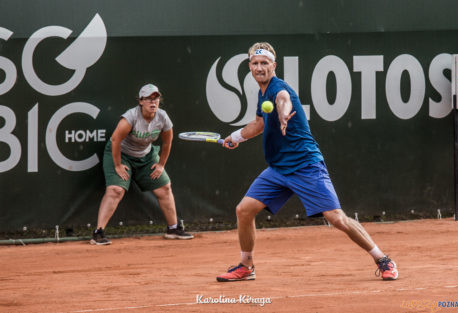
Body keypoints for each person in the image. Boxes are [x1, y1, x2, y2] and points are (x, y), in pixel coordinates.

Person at [216, 42, 398, 282]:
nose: (260, 67)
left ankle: (383, 259)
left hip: (305, 165)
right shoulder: (261, 93)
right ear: (250, 67)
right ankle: (246, 265)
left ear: (274, 66)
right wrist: (236, 137)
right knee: (244, 210)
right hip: (279, 168)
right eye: (255, 63)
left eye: (264, 63)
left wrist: (283, 113)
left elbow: (283, 100)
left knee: (337, 218)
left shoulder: (279, 89)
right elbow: (259, 124)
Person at [91, 83, 193, 245]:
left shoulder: (163, 117)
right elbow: (116, 140)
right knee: (116, 190)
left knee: (165, 187)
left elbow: (167, 142)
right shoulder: (130, 117)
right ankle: (98, 232)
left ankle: (173, 229)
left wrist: (160, 165)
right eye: (148, 99)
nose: (153, 102)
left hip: (146, 155)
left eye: (156, 98)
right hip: (120, 154)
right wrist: (117, 165)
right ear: (140, 101)